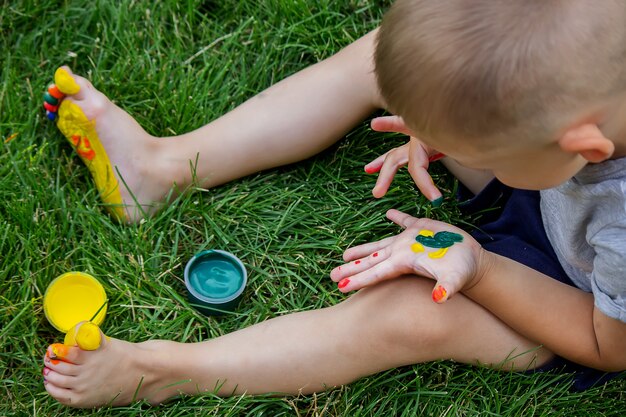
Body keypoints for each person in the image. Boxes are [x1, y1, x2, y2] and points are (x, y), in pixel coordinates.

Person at [42, 0, 626, 408]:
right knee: (405, 65)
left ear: (583, 148)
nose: (440, 149)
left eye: (476, 152)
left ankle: (163, 373)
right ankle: (162, 171)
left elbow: (607, 346)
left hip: (572, 297)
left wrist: (481, 269)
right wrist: (437, 121)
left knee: (413, 313)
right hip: (545, 176)